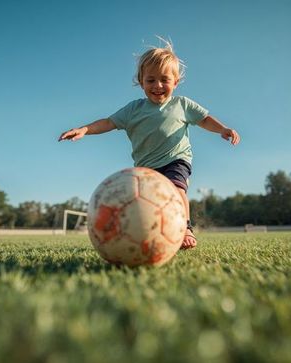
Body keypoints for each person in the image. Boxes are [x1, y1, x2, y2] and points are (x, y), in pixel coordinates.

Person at [58, 39, 240, 249]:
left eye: (164, 79)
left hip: (176, 159)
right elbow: (108, 122)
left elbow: (204, 119)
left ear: (176, 82)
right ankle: (146, 234)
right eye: (151, 80)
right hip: (146, 169)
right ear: (141, 81)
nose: (157, 86)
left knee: (176, 189)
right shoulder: (133, 110)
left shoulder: (182, 104)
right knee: (144, 206)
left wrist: (223, 129)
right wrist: (85, 129)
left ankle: (185, 228)